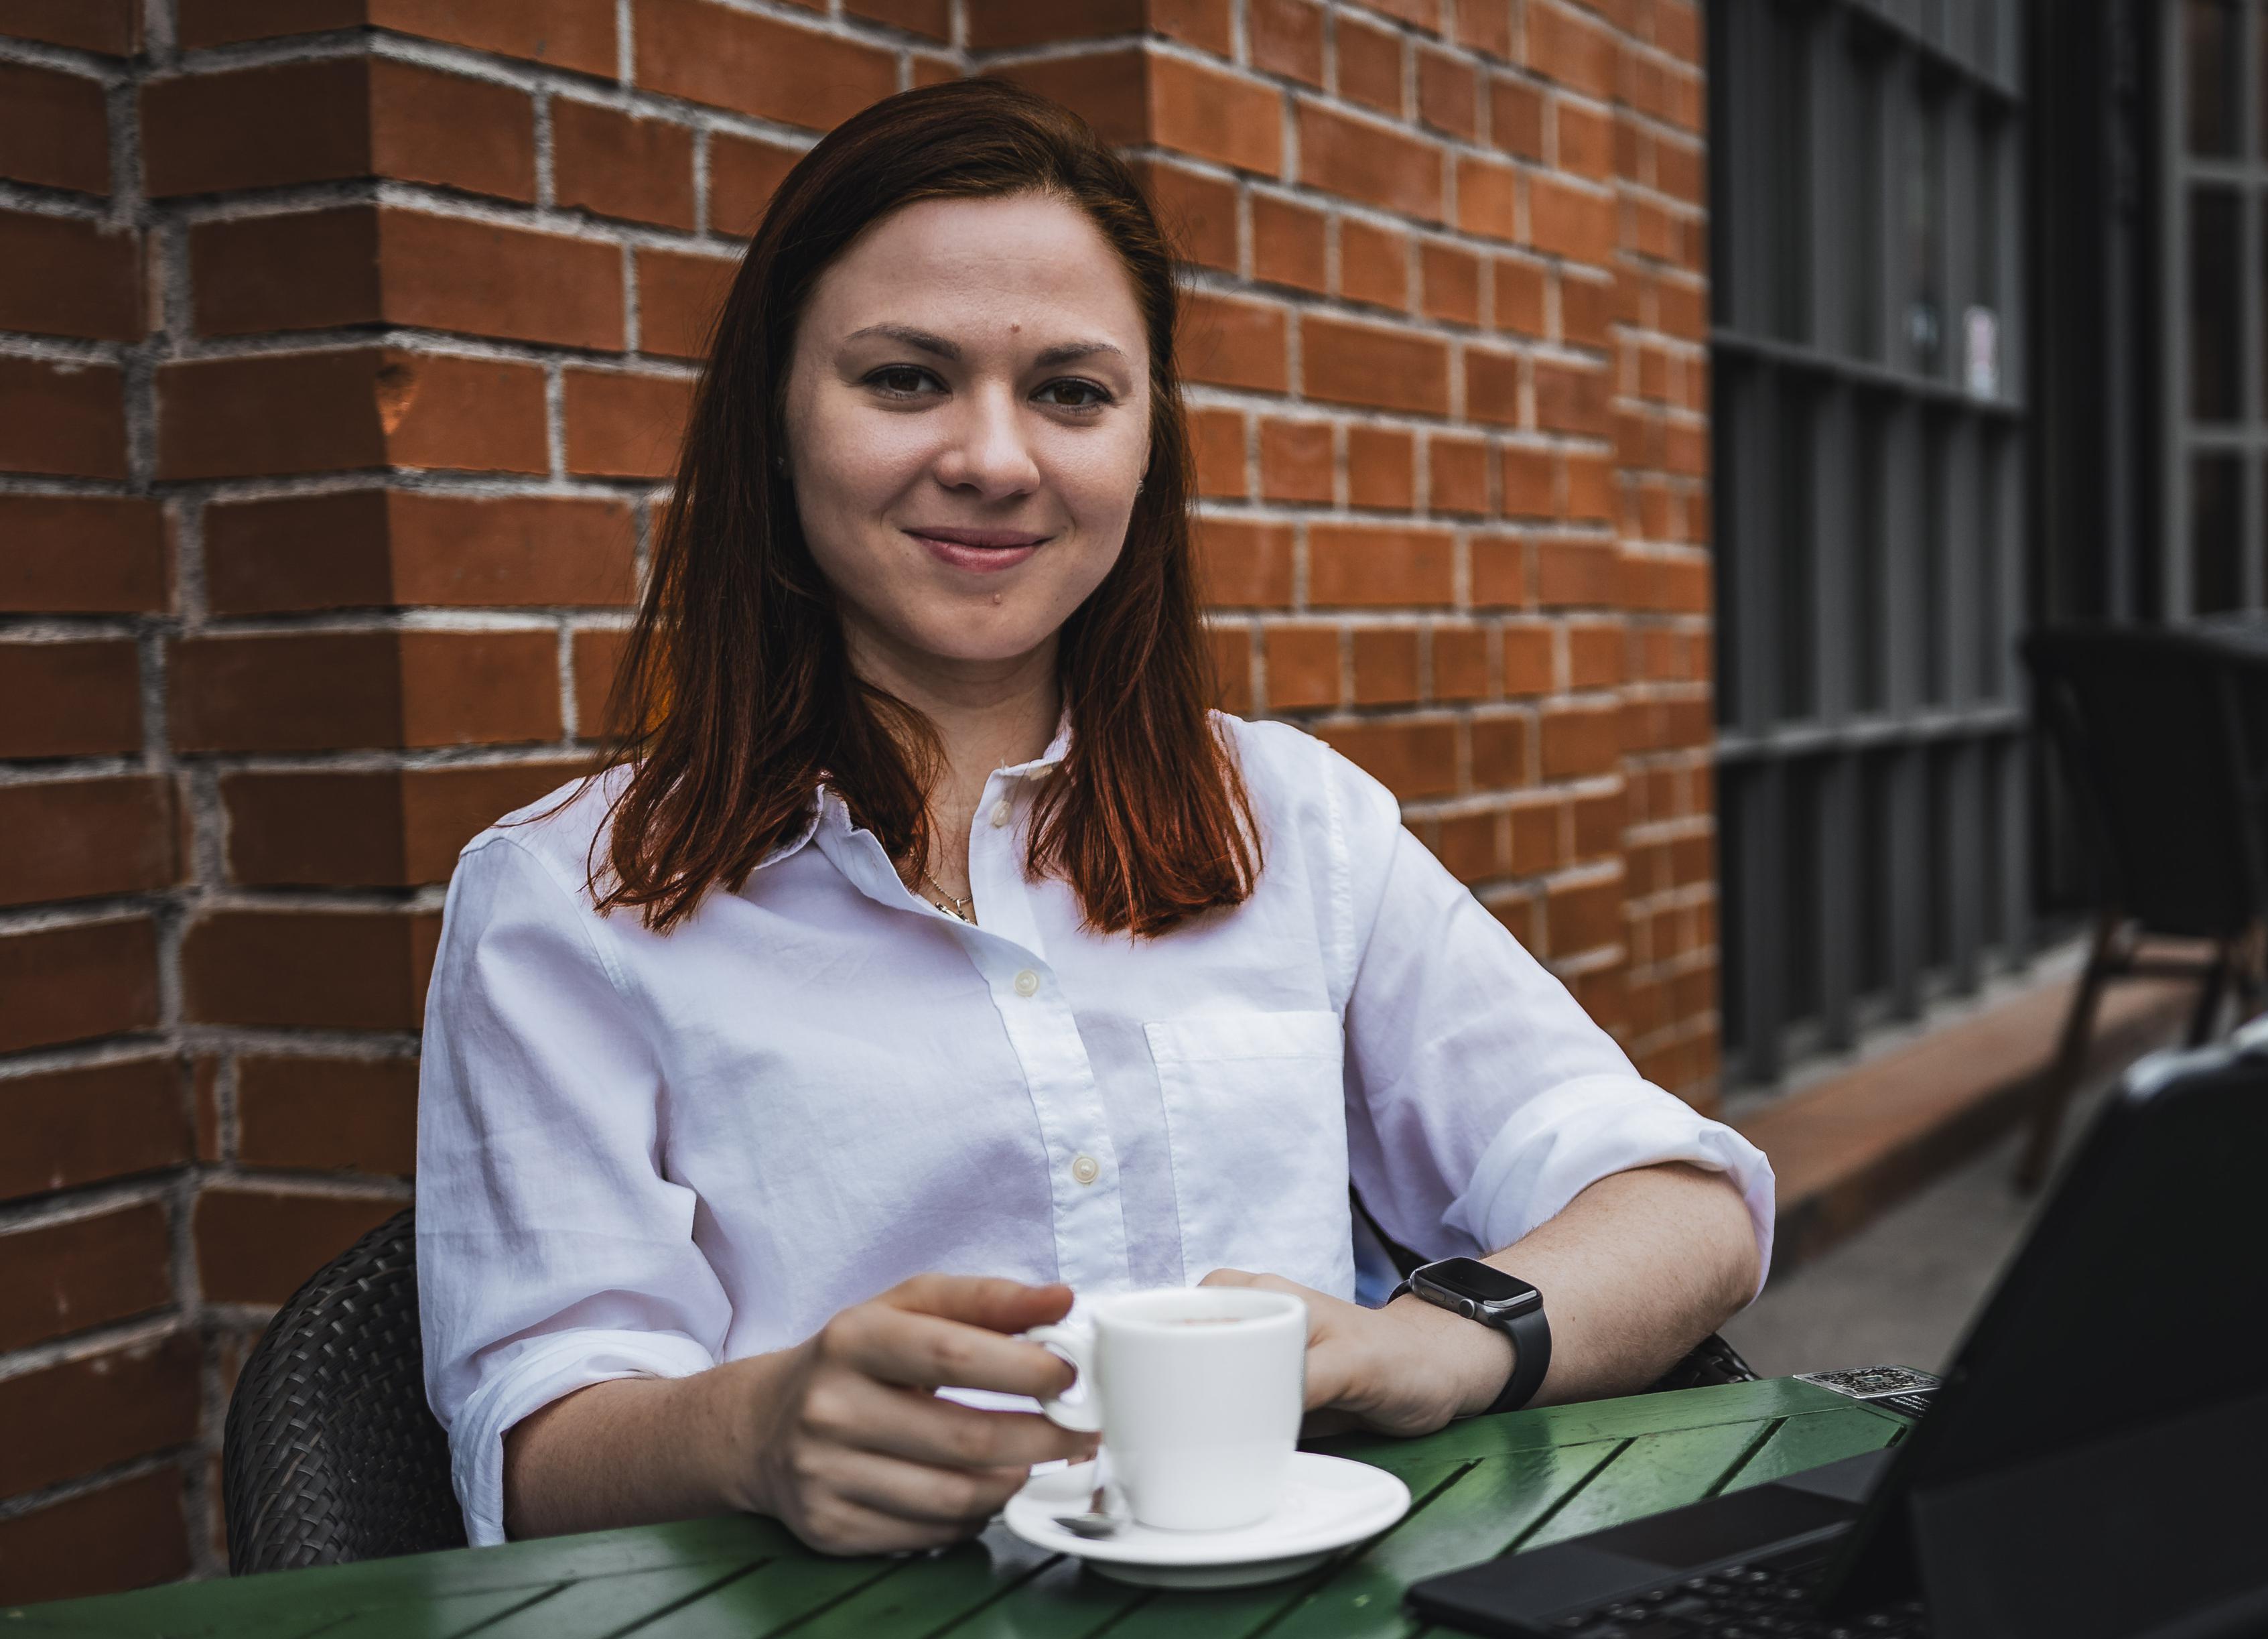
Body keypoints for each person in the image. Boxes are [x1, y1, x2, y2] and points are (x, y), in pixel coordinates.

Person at [417, 80, 1775, 1558]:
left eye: (1070, 391)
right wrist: (750, 1429)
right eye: (905, 379)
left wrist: (1440, 1339)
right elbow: (537, 1441)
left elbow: (1679, 1201)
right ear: (775, 421)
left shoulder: (1290, 823)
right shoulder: (570, 898)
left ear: (1143, 445)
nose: (996, 458)